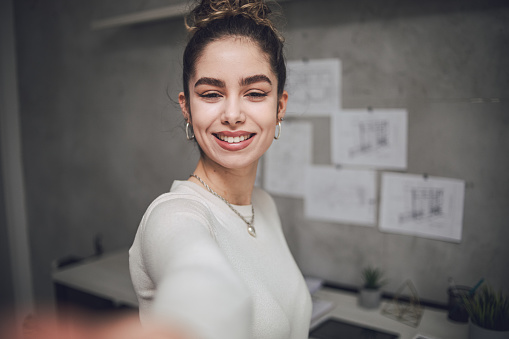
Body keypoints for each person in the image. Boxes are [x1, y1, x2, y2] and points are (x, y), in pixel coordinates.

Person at [128, 1, 312, 339]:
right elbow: (197, 283)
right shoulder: (172, 216)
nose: (232, 114)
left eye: (254, 93)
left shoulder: (264, 205)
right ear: (187, 108)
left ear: (280, 106)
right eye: (211, 93)